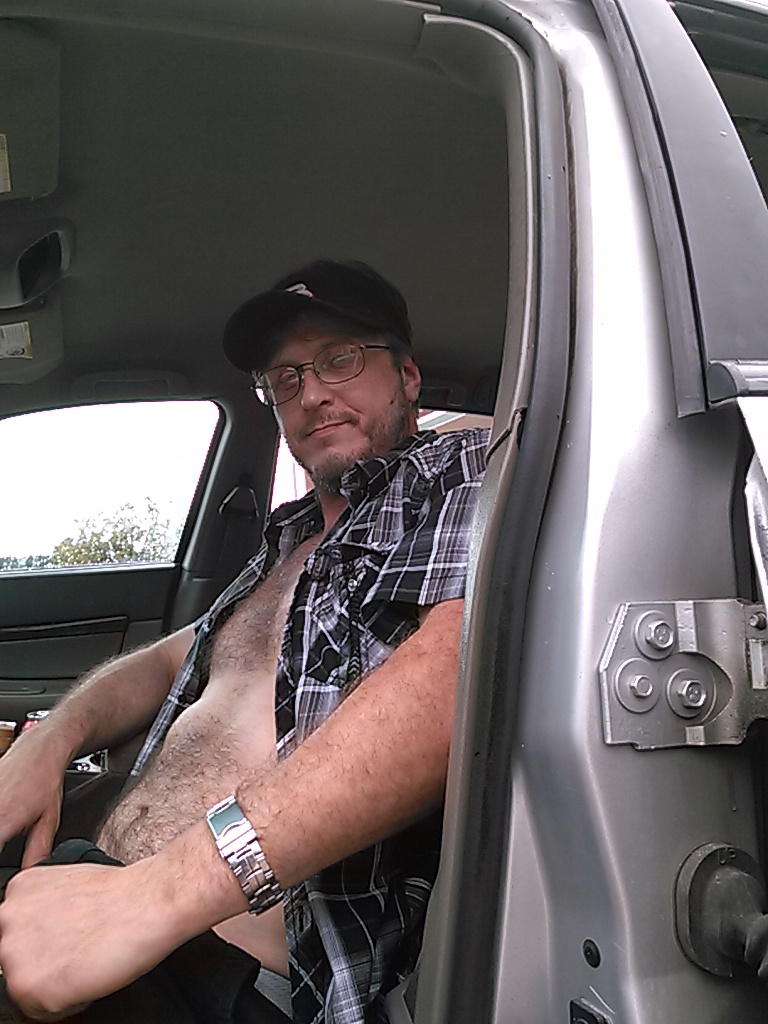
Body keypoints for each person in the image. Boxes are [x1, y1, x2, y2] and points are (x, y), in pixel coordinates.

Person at [0, 260, 489, 1024]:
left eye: (340, 358)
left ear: (408, 375)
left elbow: (457, 674)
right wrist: (51, 742)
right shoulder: (286, 543)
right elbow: (170, 658)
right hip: (103, 909)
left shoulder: (458, 472)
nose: (311, 392)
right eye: (286, 377)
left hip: (231, 981)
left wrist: (153, 896)